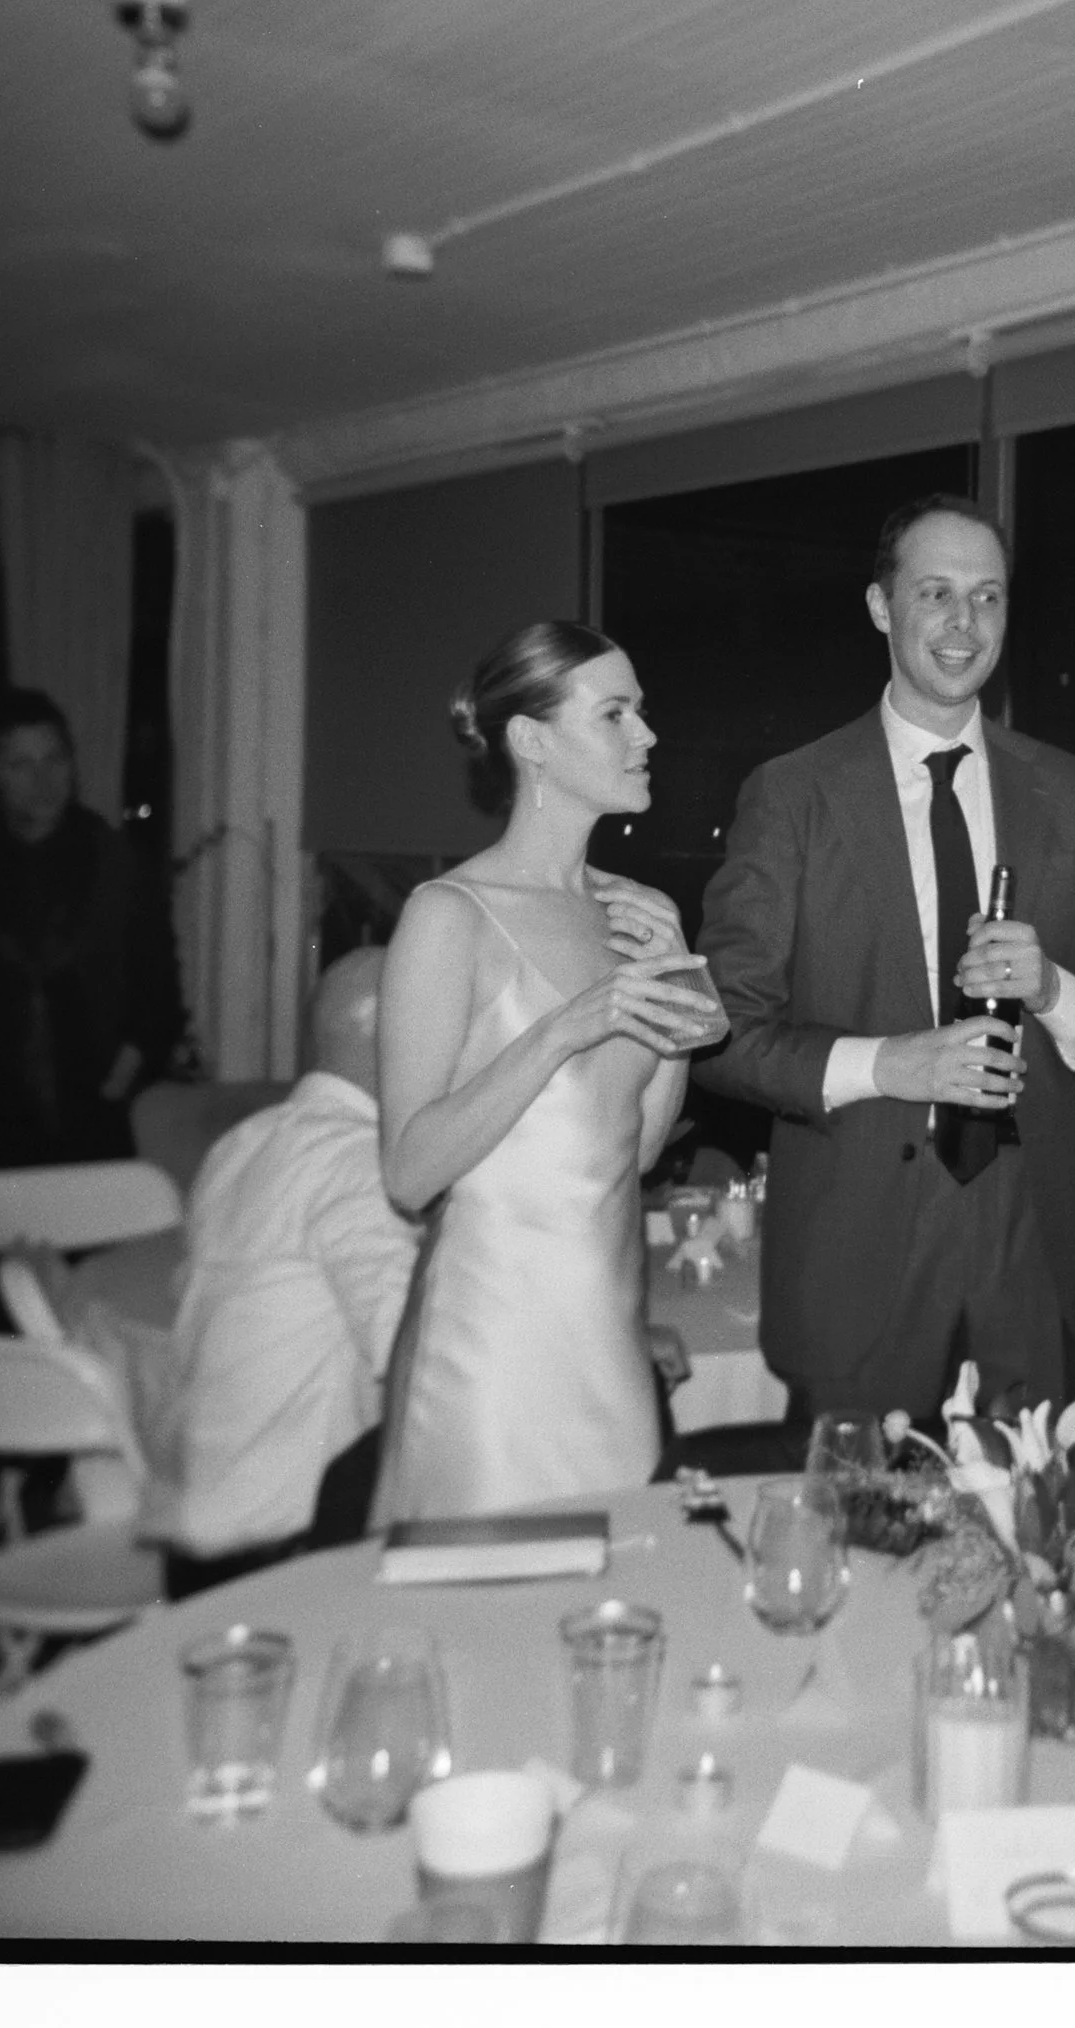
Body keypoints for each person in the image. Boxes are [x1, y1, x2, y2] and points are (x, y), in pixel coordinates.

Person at [693, 495, 1075, 1426]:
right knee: (861, 1549)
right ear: (881, 607)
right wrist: (887, 1064)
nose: (964, 624)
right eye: (937, 594)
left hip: (1041, 1245)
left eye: (987, 598)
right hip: (861, 1253)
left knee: (1037, 1552)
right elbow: (724, 1032)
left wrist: (1054, 988)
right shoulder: (793, 798)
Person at [370, 623, 726, 1523]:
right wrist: (562, 1029)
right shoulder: (447, 916)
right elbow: (409, 1174)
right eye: (615, 714)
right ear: (531, 741)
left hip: (606, 1349)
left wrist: (683, 1021)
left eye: (640, 712)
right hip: (491, 1362)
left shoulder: (637, 912)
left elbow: (635, 1152)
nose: (646, 736)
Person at [136, 948, 421, 1600]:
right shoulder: (358, 1165)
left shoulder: (245, 1142)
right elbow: (418, 1355)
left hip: (195, 1536)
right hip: (288, 1554)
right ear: (402, 1035)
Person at [0, 685, 184, 1258]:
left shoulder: (115, 861)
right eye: (20, 763)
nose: (43, 779)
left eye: (55, 758)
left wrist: (117, 1082)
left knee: (89, 1281)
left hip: (91, 1119)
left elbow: (159, 991)